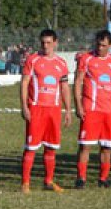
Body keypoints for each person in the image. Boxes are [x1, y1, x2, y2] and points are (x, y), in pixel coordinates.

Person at [20, 29, 72, 193]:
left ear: (56, 43)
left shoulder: (61, 63)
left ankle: (48, 181)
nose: (46, 46)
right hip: (36, 109)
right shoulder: (33, 60)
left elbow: (64, 87)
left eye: (49, 43)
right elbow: (24, 83)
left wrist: (68, 110)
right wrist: (24, 106)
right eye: (43, 43)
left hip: (54, 110)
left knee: (51, 147)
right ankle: (25, 183)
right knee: (31, 147)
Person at [74, 30, 111, 189]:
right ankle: (81, 178)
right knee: (85, 146)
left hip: (109, 110)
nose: (100, 48)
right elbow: (78, 82)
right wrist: (79, 105)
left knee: (107, 147)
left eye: (104, 45)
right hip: (91, 109)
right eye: (98, 44)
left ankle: (103, 178)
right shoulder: (86, 59)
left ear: (110, 45)